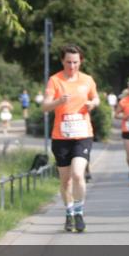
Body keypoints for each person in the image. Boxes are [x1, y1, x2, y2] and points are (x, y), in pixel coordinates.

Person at [42, 44, 99, 233]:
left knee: (77, 174)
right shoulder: (55, 80)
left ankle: (79, 211)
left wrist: (92, 104)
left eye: (75, 62)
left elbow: (96, 98)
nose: (72, 66)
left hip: (83, 134)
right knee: (65, 180)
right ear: (62, 61)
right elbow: (45, 106)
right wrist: (59, 101)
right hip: (61, 136)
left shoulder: (87, 80)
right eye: (68, 62)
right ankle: (68, 213)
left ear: (80, 61)